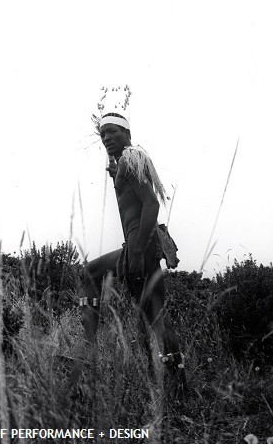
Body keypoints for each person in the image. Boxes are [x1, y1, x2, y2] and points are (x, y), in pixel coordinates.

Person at [81, 112, 186, 388]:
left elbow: (151, 204)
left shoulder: (131, 157)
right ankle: (180, 382)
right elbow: (136, 195)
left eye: (112, 132)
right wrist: (118, 174)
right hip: (141, 245)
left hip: (140, 246)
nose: (106, 139)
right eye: (103, 135)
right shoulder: (128, 162)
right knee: (156, 316)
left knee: (90, 273)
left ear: (127, 134)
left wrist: (138, 253)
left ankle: (88, 351)